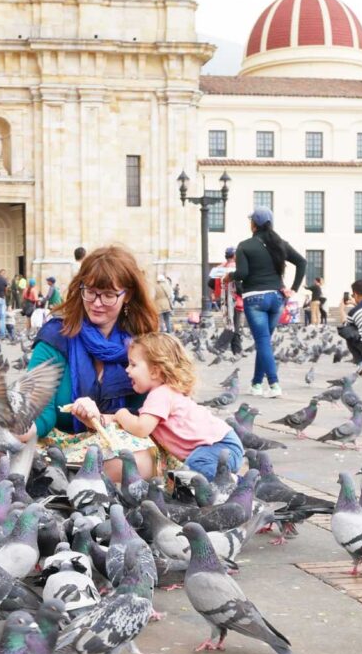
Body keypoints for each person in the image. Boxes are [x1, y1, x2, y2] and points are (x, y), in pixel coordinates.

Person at [24, 244, 160, 482]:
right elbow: (40, 410)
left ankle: (62, 483)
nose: (97, 303)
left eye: (108, 295)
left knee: (134, 462)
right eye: (91, 292)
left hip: (115, 446)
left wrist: (104, 419)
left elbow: (150, 412)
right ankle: (63, 480)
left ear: (127, 295)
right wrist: (22, 427)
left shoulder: (144, 346)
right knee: (3, 450)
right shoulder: (55, 337)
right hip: (60, 445)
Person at [105, 332, 244, 481]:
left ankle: (233, 482)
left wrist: (121, 414)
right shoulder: (166, 392)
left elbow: (141, 428)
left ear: (154, 371)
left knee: (194, 467)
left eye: (133, 364)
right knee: (189, 473)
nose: (127, 370)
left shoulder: (160, 395)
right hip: (223, 446)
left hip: (221, 446)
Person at [234, 206, 306, 398]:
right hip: (276, 298)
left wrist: (229, 277)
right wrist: (294, 289)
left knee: (263, 342)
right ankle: (257, 384)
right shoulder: (280, 243)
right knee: (263, 341)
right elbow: (302, 262)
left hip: (255, 299)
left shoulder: (244, 246)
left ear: (253, 225)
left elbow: (242, 274)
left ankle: (274, 385)